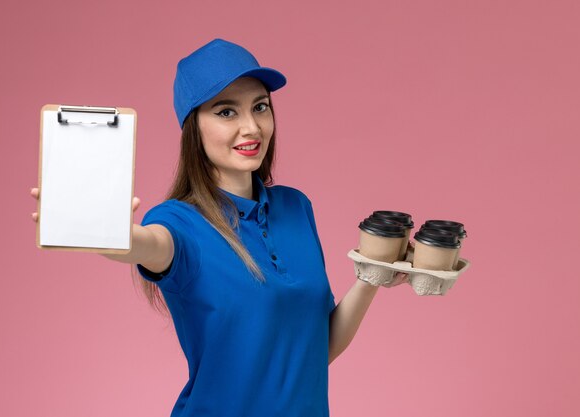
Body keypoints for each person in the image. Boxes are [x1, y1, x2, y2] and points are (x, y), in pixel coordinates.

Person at [30, 38, 408, 417]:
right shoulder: (179, 223)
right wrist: (104, 229)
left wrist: (371, 276)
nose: (251, 127)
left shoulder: (296, 208)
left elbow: (315, 349)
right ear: (194, 127)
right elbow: (145, 245)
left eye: (260, 107)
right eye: (226, 112)